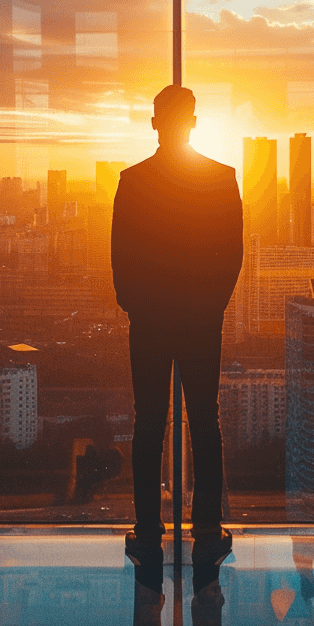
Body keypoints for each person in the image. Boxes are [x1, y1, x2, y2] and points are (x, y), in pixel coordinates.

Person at [112, 85, 243, 563]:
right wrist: (211, 307)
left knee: (148, 422)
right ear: (192, 122)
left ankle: (148, 526)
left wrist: (136, 305)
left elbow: (120, 257)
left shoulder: (132, 181)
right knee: (204, 421)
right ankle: (206, 525)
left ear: (154, 122)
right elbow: (232, 256)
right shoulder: (221, 178)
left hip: (149, 321)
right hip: (199, 320)